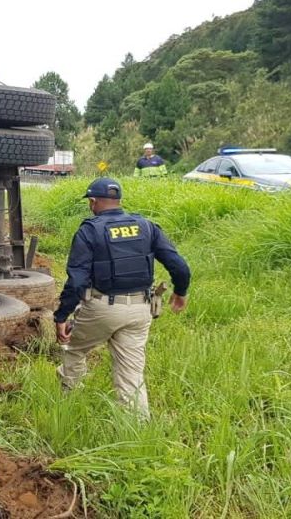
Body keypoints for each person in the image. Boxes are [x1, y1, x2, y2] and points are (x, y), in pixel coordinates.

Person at [53, 177, 191, 419]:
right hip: (140, 310)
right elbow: (179, 266)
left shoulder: (90, 230)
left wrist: (62, 315)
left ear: (93, 202)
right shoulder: (146, 226)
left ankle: (68, 406)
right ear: (119, 201)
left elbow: (77, 281)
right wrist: (181, 292)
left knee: (75, 350)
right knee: (131, 373)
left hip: (101, 309)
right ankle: (137, 428)